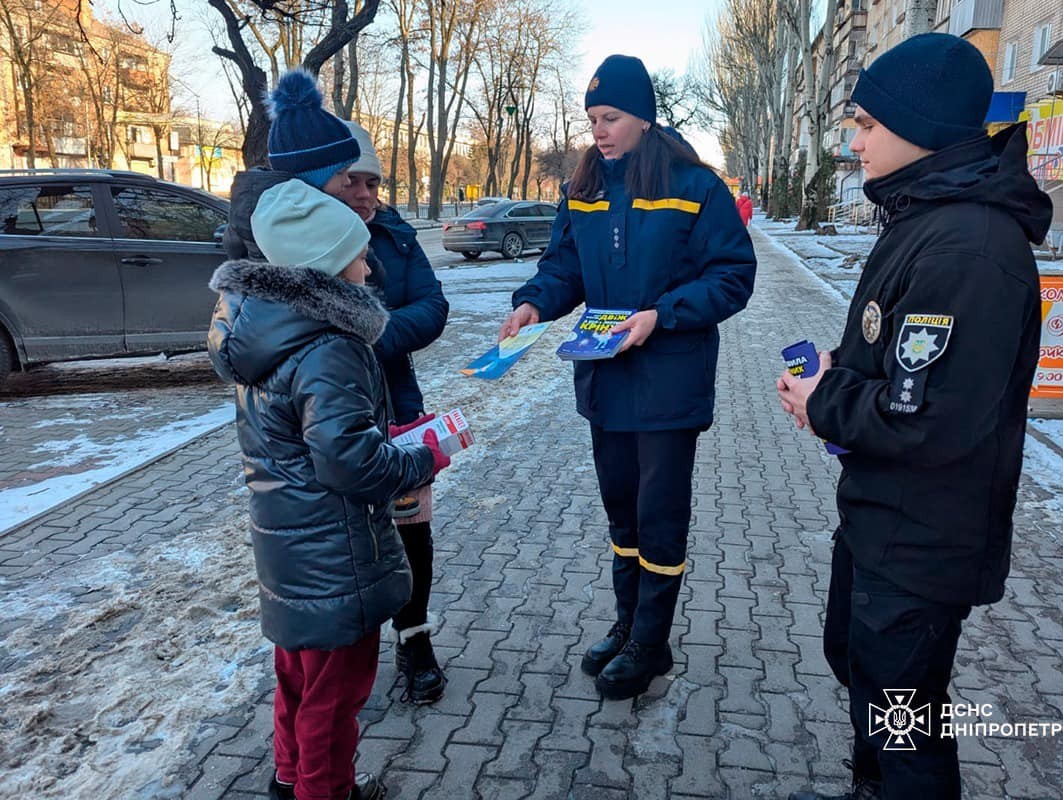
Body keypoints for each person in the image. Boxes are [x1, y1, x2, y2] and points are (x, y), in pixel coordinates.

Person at [775, 33, 1051, 800]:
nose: (854, 141)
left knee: (905, 720)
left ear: (919, 126)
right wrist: (832, 379)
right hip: (882, 517)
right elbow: (895, 361)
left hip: (923, 539)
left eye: (866, 124)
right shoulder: (924, 217)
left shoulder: (969, 246)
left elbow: (927, 417)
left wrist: (824, 400)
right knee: (860, 668)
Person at [499, 54, 756, 701]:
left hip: (668, 385)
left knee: (659, 517)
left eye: (609, 117)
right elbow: (564, 268)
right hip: (605, 384)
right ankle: (627, 625)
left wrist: (661, 315)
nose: (599, 130)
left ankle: (651, 640)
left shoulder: (695, 186)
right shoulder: (583, 189)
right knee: (622, 515)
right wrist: (533, 302)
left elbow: (733, 275)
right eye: (591, 119)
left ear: (643, 116)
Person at [209, 179, 453, 800]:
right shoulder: (330, 347)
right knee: (335, 698)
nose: (369, 264)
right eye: (360, 253)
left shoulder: (264, 333)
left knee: (298, 679)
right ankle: (325, 789)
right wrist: (417, 460)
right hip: (335, 554)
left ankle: (290, 779)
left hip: (289, 551)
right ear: (325, 265)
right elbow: (347, 460)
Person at [336, 120, 452, 703]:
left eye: (373, 183)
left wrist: (372, 335)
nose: (364, 194)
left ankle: (414, 640)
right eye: (352, 181)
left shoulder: (397, 236)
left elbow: (433, 306)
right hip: (331, 414)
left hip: (398, 405)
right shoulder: (303, 241)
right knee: (342, 535)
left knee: (411, 530)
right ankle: (345, 649)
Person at [224, 68, 360, 261]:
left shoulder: (247, 209)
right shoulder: (320, 222)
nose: (347, 181)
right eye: (340, 172)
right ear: (311, 175)